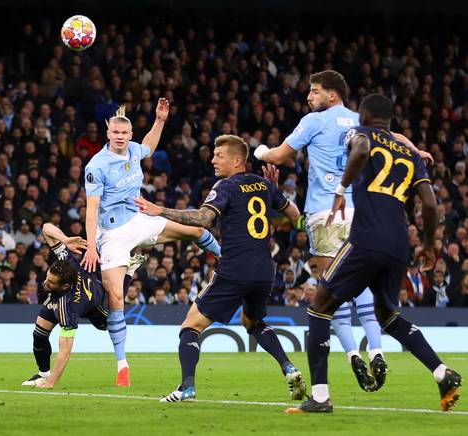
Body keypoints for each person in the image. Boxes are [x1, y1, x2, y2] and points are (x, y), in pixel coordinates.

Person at [285, 94, 462, 413]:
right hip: (398, 244)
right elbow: (432, 204)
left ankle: (321, 397)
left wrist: (340, 191)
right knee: (388, 315)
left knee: (319, 306)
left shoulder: (361, 133)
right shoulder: (410, 154)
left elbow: (363, 149)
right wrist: (429, 245)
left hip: (365, 237)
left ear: (363, 116)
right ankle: (441, 373)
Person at [254, 70, 402, 389]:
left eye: (315, 91)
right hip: (359, 211)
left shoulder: (314, 122)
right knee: (362, 286)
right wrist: (417, 151)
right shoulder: (359, 121)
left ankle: (352, 356)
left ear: (332, 94)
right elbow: (396, 140)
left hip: (325, 212)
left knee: (330, 293)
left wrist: (260, 151)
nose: (309, 96)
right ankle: (376, 350)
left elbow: (280, 155)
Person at [135, 134, 306, 402]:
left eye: (219, 156)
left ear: (237, 160)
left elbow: (203, 219)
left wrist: (161, 210)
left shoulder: (226, 186)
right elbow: (296, 216)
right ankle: (289, 367)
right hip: (264, 271)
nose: (213, 159)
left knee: (190, 326)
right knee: (253, 321)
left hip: (235, 268)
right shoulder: (264, 185)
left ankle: (186, 388)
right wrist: (276, 191)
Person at [81, 99, 221, 386]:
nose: (120, 137)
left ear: (129, 136)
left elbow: (149, 147)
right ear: (108, 134)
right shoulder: (96, 165)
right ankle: (122, 366)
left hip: (140, 220)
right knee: (116, 298)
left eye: (125, 134)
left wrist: (159, 121)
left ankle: (227, 259)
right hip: (112, 235)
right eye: (115, 133)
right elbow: (92, 208)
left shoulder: (134, 149)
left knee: (193, 231)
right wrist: (91, 245)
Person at [22, 223, 145, 388]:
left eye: (51, 282)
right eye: (47, 277)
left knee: (109, 317)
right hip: (61, 297)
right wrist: (65, 239)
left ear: (65, 286)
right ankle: (43, 374)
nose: (46, 282)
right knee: (39, 334)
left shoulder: (68, 308)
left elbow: (65, 351)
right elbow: (46, 227)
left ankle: (128, 272)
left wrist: (51, 384)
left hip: (98, 305)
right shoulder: (66, 261)